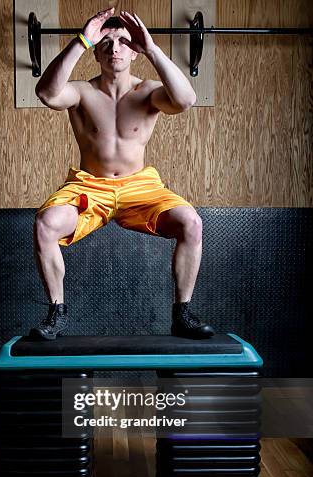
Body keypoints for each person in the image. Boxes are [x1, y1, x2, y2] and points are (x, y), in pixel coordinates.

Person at [31, 7, 215, 340]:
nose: (114, 48)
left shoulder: (148, 91)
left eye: (122, 42)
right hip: (89, 186)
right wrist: (82, 39)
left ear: (134, 51)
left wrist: (153, 49)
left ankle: (182, 313)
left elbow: (186, 99)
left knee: (192, 223)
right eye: (106, 43)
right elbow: (46, 93)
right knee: (46, 224)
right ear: (96, 52)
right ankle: (56, 313)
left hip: (140, 187)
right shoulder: (81, 92)